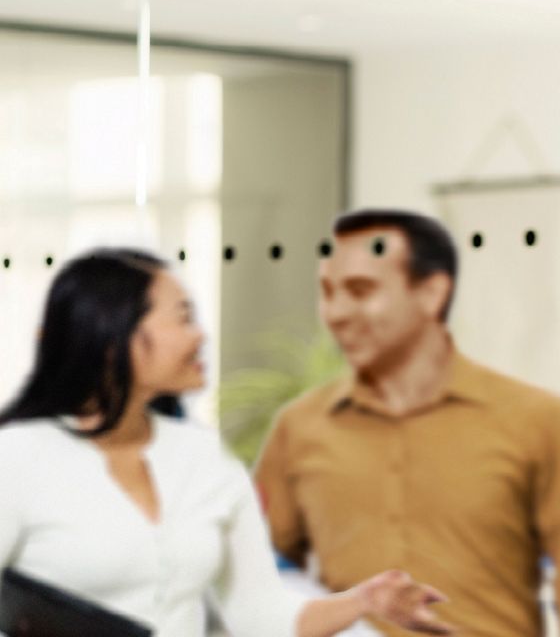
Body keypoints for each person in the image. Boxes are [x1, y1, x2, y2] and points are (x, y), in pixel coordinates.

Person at [0, 248, 455, 637]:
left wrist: (363, 601)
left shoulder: (204, 458)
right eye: (183, 318)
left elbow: (259, 614)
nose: (200, 335)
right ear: (113, 333)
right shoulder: (19, 457)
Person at [255, 209, 560, 637]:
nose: (336, 312)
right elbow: (253, 587)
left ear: (432, 293)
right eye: (328, 292)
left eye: (360, 290)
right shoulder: (299, 428)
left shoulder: (539, 420)